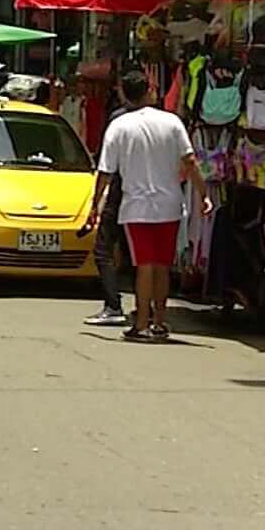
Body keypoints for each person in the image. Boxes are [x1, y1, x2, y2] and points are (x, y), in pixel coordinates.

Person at [86, 69, 209, 343]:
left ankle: (141, 323)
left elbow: (105, 172)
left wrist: (95, 204)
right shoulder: (172, 121)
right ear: (150, 91)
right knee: (162, 265)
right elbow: (190, 161)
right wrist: (203, 193)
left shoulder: (119, 126)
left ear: (124, 95)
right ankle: (160, 322)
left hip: (137, 205)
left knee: (144, 265)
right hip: (170, 204)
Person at [83, 87, 132, 329]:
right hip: (152, 198)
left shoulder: (118, 121)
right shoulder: (167, 121)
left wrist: (95, 202)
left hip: (120, 192)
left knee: (103, 249)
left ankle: (113, 305)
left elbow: (106, 167)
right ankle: (149, 308)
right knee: (143, 256)